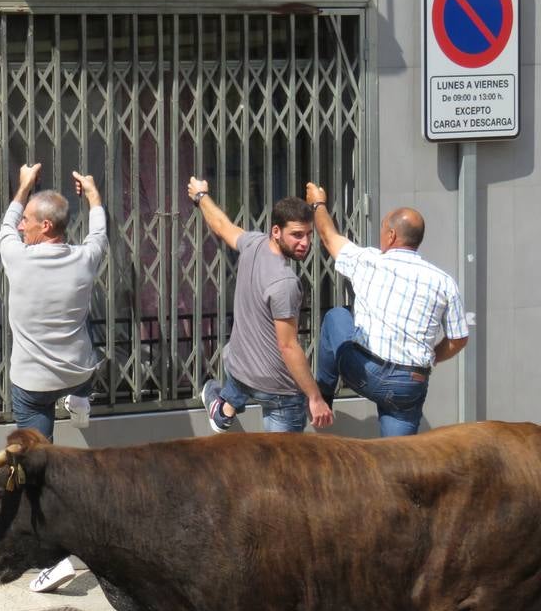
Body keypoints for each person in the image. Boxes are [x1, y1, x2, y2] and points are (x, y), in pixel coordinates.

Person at [0, 162, 107, 593]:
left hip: (33, 384)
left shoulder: (17, 259)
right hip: (77, 371)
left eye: (29, 223)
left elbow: (7, 219)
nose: (21, 227)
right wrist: (93, 193)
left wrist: (24, 184)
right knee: (87, 344)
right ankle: (81, 402)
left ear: (45, 226)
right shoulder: (85, 260)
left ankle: (56, 558)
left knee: (36, 466)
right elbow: (100, 230)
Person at [307, 184, 468, 436]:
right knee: (397, 456)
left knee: (337, 316)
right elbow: (459, 339)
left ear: (392, 235)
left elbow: (328, 236)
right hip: (410, 384)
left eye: (382, 229)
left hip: (365, 372)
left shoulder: (370, 262)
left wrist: (318, 204)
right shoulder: (444, 282)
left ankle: (324, 395)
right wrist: (432, 357)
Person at [191, 177, 334, 434]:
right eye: (297, 235)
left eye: (309, 235)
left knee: (238, 367)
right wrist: (314, 397)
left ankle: (224, 410)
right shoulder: (285, 282)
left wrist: (201, 196)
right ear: (276, 231)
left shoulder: (253, 244)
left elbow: (222, 225)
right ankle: (226, 406)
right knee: (282, 467)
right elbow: (288, 346)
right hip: (279, 392)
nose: (305, 243)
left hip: (240, 368)